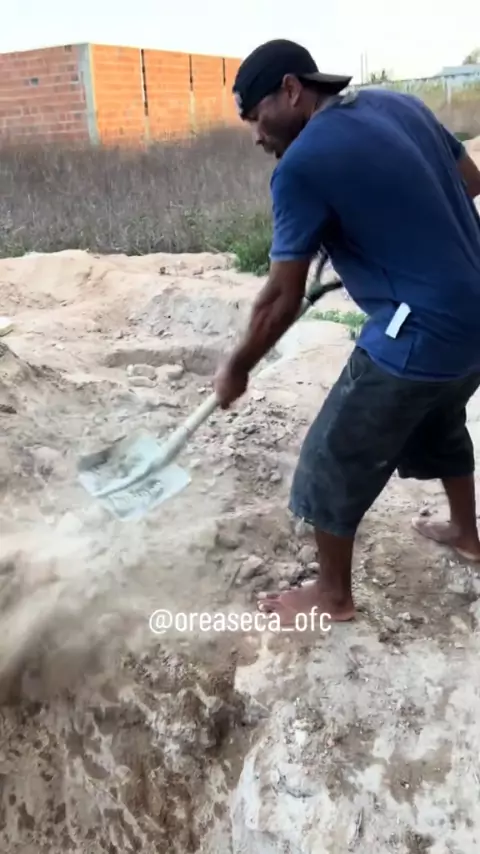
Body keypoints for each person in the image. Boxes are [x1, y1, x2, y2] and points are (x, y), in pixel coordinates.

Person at [214, 38, 480, 627]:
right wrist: (392, 229)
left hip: (423, 327)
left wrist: (237, 367)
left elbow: (280, 299)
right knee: (440, 416)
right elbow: (471, 180)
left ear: (291, 90)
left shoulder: (300, 167)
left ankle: (332, 596)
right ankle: (467, 534)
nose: (256, 135)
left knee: (332, 454)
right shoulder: (398, 105)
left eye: (256, 117)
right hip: (475, 316)